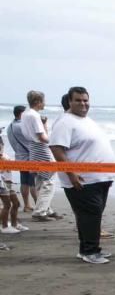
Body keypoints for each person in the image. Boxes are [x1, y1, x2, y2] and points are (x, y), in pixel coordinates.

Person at [48, 87, 115, 264]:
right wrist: (71, 174)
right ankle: (90, 251)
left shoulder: (86, 120)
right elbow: (57, 148)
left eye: (85, 100)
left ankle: (88, 248)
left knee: (92, 214)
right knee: (90, 214)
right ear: (69, 101)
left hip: (99, 178)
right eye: (78, 100)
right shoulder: (65, 122)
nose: (83, 103)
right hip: (82, 179)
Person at [22, 91, 64, 222]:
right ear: (38, 102)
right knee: (49, 180)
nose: (45, 103)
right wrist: (53, 142)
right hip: (41, 148)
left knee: (41, 180)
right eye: (43, 101)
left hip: (33, 148)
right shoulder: (34, 116)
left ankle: (46, 209)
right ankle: (40, 211)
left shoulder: (25, 114)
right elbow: (41, 136)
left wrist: (44, 124)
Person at [7, 106, 37, 211]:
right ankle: (40, 207)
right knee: (33, 183)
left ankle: (27, 205)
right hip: (29, 158)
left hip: (19, 157)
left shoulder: (10, 126)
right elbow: (34, 141)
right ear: (22, 114)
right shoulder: (21, 126)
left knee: (24, 183)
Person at [0, 128, 23, 234]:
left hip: (8, 182)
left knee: (16, 203)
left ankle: (14, 224)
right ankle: (4, 226)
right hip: (2, 182)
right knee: (7, 204)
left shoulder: (3, 155)